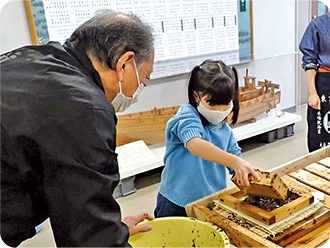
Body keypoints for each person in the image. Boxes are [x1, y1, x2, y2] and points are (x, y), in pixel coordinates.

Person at [1, 10, 155, 247]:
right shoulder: (86, 110)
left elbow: (75, 203)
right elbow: (91, 238)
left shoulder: (36, 57)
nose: (139, 89)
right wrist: (108, 234)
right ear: (124, 63)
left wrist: (115, 228)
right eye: (143, 79)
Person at [154, 60, 260, 217]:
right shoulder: (186, 116)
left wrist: (250, 174)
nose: (220, 109)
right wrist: (236, 162)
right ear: (197, 96)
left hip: (210, 203)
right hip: (175, 204)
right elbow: (195, 144)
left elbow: (235, 167)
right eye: (212, 103)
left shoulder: (226, 131)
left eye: (226, 103)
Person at [299, 12, 330, 152]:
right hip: (324, 82)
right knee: (321, 130)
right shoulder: (317, 25)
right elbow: (309, 61)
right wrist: (312, 92)